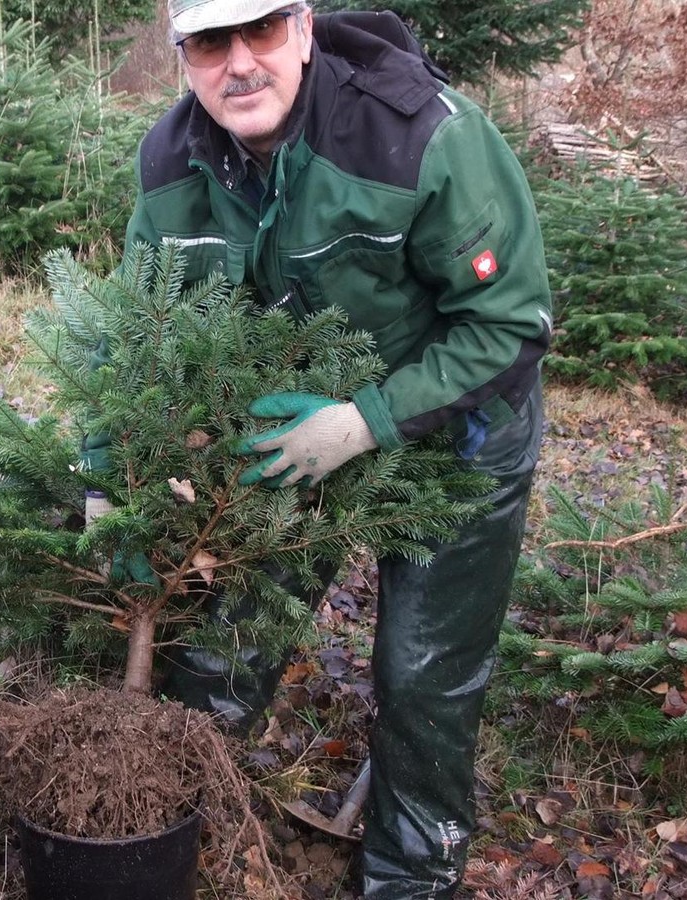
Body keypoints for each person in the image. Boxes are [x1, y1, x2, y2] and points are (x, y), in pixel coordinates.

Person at [123, 2, 552, 897]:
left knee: (420, 669)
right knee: (230, 629)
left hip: (461, 421)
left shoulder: (420, 136)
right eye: (209, 42)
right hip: (292, 423)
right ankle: (170, 820)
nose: (239, 64)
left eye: (261, 32)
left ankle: (411, 873)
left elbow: (509, 324)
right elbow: (136, 338)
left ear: (305, 30)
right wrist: (113, 485)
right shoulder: (172, 165)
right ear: (182, 55)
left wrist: (363, 422)